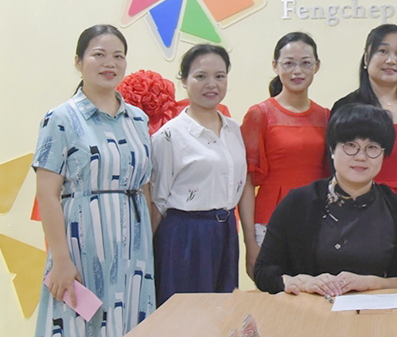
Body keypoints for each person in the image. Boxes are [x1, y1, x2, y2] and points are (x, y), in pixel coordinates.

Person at [32, 25, 155, 336]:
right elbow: (47, 194)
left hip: (134, 248)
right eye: (98, 55)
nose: (109, 63)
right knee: (80, 323)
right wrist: (61, 260)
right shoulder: (60, 118)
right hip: (82, 245)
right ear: (78, 61)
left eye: (118, 56)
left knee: (131, 321)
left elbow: (144, 187)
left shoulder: (138, 119)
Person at [253, 103, 397, 295]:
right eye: (351, 145)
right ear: (332, 149)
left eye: (372, 148)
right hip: (309, 309)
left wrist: (371, 283)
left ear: (384, 154)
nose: (361, 157)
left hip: (376, 310)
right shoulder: (298, 203)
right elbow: (263, 272)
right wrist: (303, 282)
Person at [150, 44, 250, 304]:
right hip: (185, 236)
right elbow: (157, 202)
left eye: (220, 76)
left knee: (222, 312)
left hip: (226, 231)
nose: (211, 84)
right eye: (201, 76)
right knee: (185, 316)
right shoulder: (169, 136)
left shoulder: (235, 130)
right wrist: (146, 257)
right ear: (184, 80)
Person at [332, 24, 397, 260]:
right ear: (366, 58)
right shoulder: (346, 107)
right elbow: (335, 168)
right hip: (358, 211)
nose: (391, 60)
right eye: (383, 51)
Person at [240, 32, 330, 276]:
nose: (297, 71)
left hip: (318, 220)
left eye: (305, 63)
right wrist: (250, 242)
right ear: (275, 66)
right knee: (276, 293)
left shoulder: (326, 116)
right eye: (288, 63)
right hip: (270, 221)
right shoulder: (259, 114)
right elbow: (246, 182)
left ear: (317, 66)